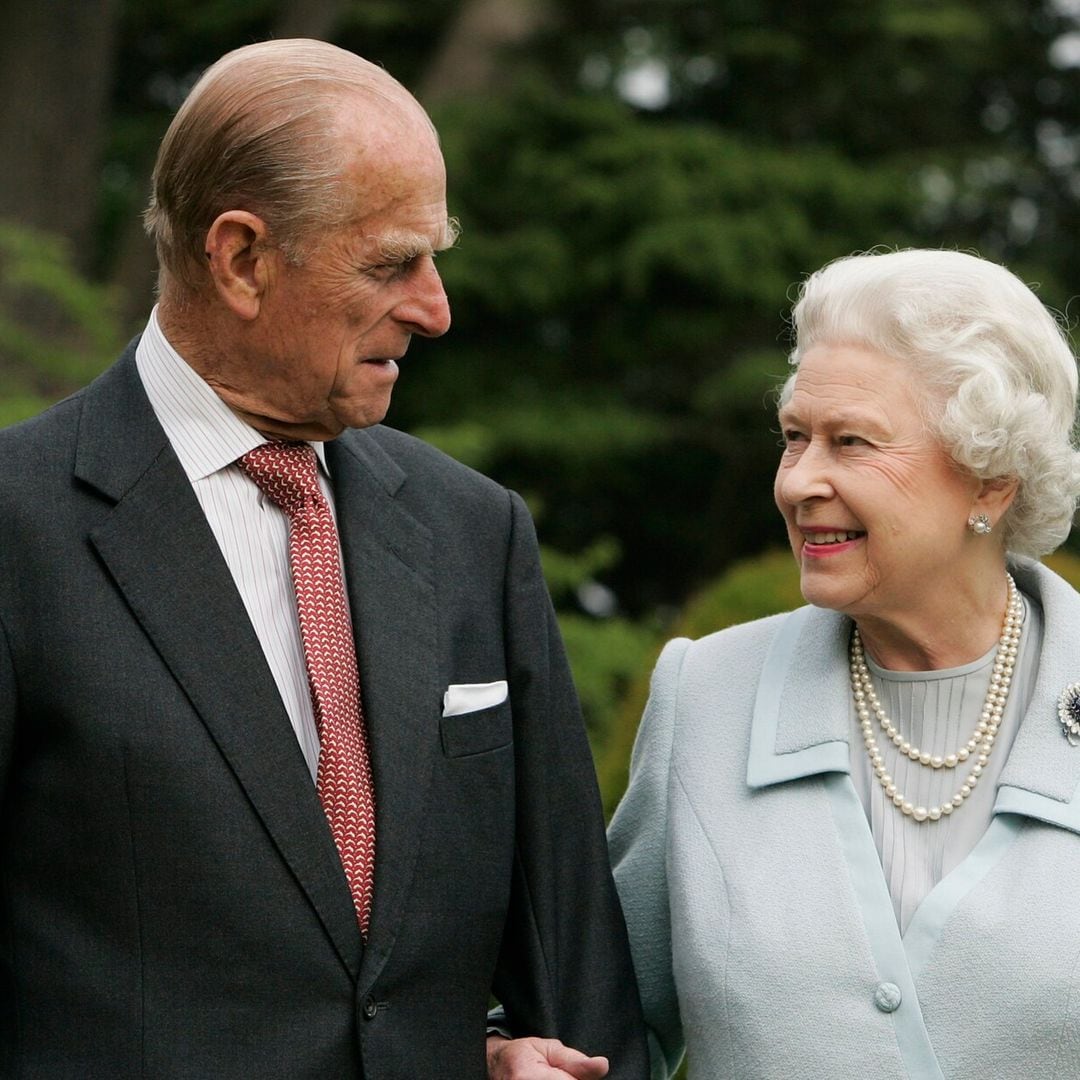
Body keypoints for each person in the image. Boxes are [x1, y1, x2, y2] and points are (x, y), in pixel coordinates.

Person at [0, 39, 648, 1079]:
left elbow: (576, 983)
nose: (436, 308)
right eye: (393, 262)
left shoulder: (474, 533)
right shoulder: (17, 528)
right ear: (243, 258)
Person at [605, 248, 1080, 1077]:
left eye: (852, 442)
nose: (799, 483)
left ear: (991, 483)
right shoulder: (706, 696)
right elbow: (597, 1022)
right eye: (796, 438)